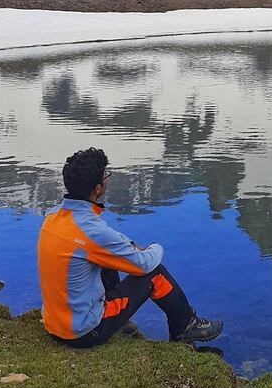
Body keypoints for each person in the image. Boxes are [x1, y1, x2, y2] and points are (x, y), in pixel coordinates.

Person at [37, 147, 222, 348]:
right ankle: (186, 326)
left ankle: (121, 323)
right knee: (155, 273)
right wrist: (156, 247)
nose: (107, 179)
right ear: (98, 188)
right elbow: (143, 264)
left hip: (55, 324)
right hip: (84, 331)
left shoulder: (54, 217)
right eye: (106, 175)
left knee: (108, 260)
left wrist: (130, 246)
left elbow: (105, 242)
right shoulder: (91, 231)